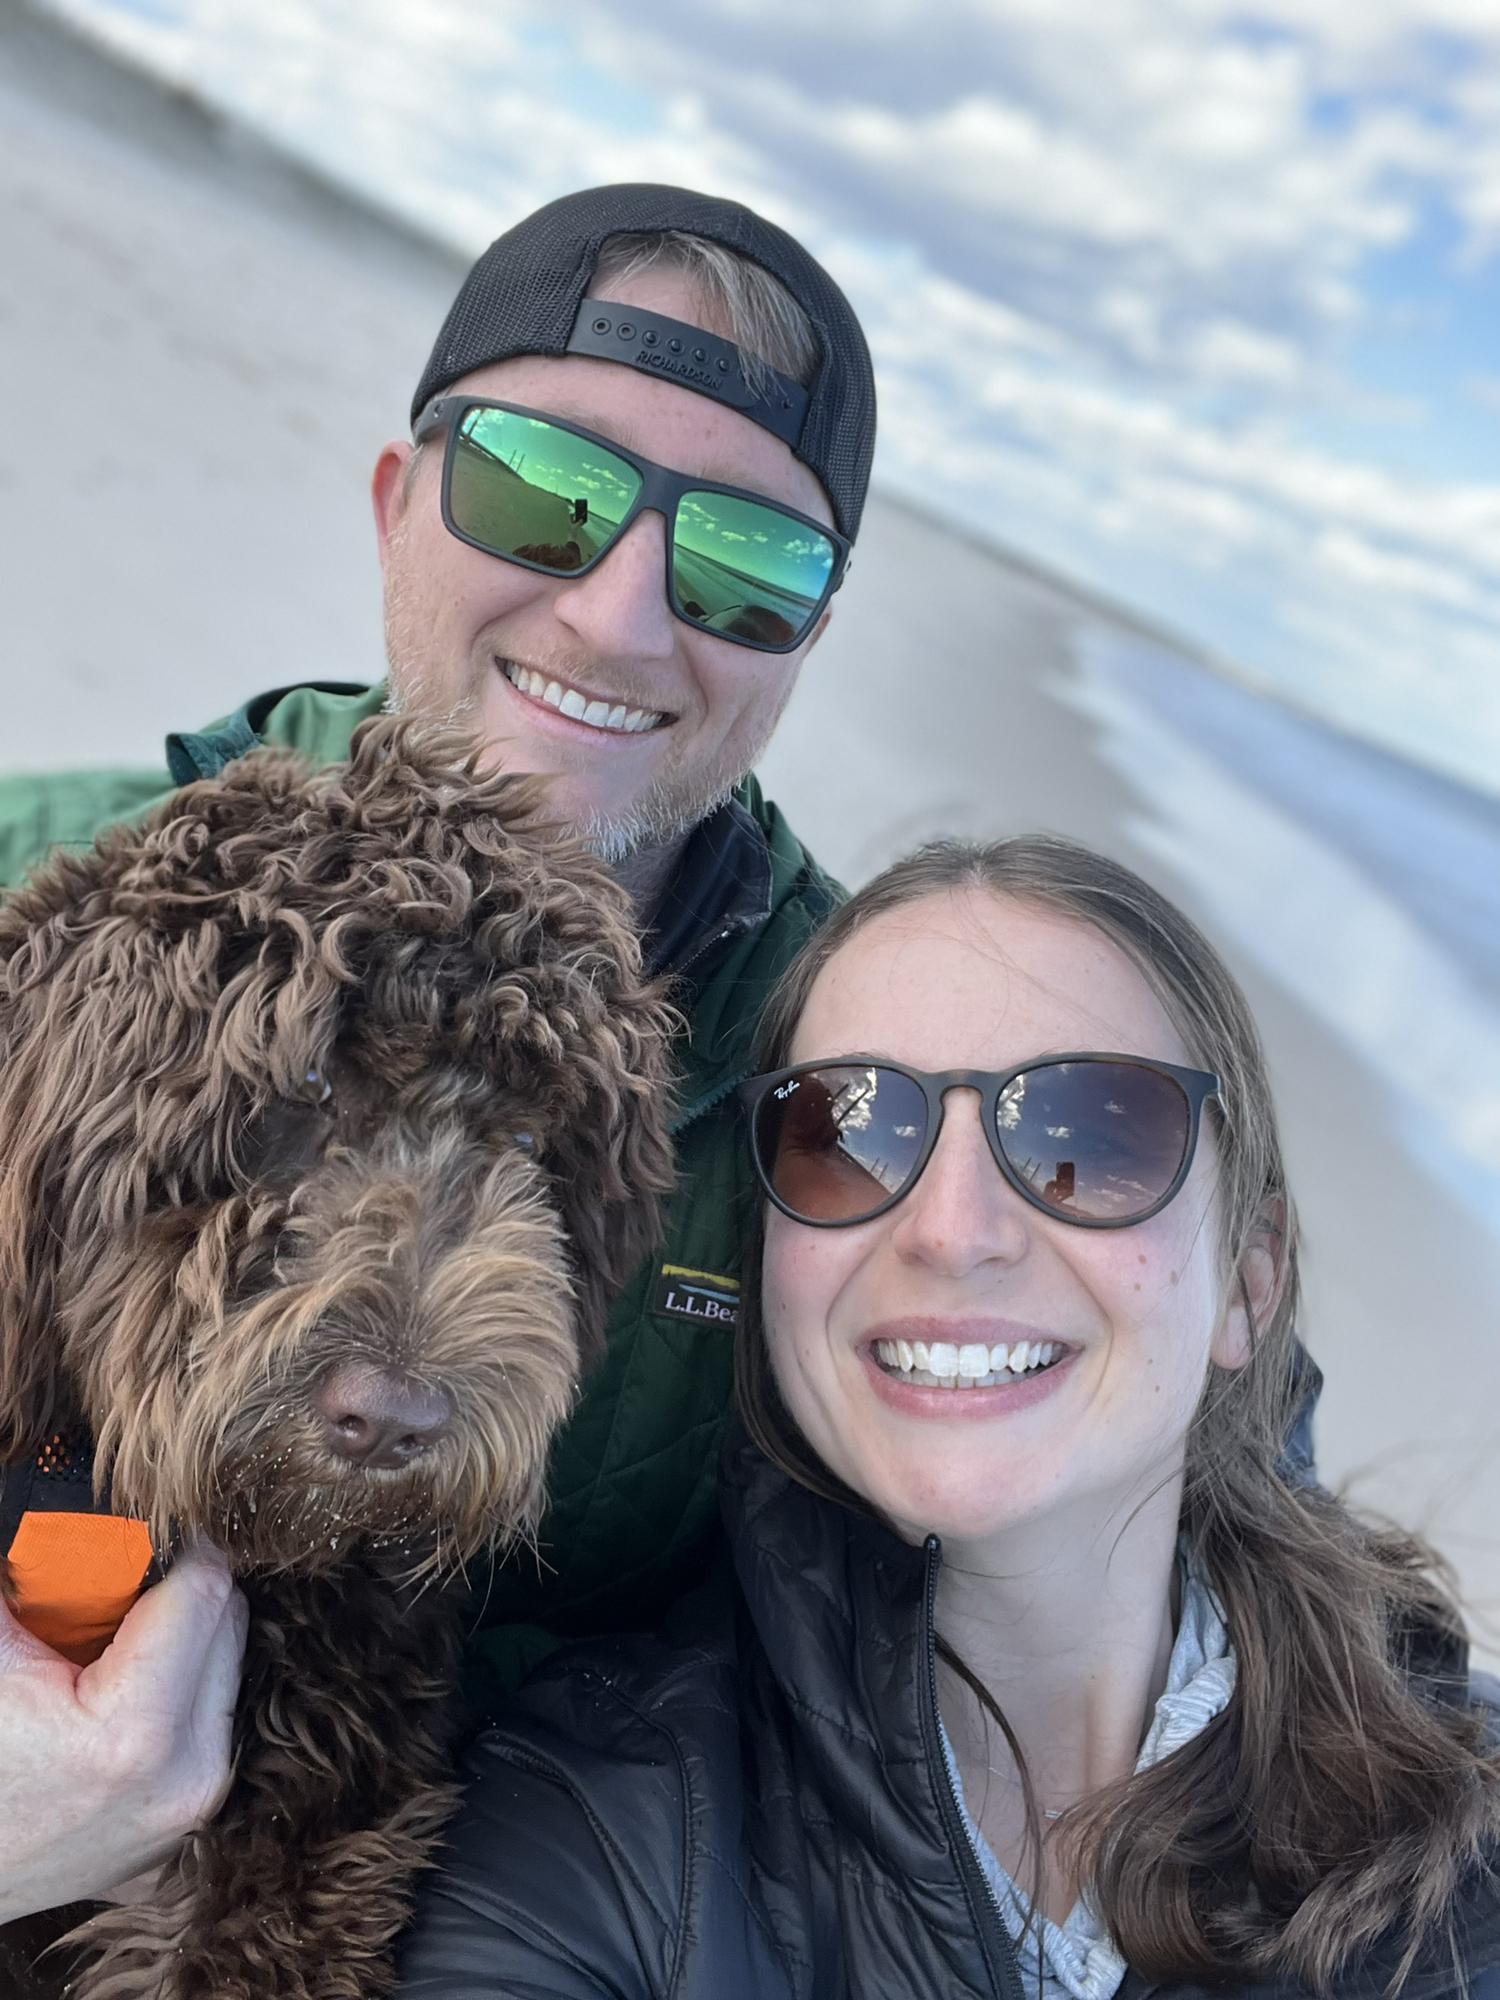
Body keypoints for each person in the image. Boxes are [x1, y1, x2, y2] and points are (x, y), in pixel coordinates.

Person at [0, 183, 874, 1917]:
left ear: (809, 640)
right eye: (542, 493)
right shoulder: (38, 879)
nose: (624, 618)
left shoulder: (872, 1061)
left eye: (747, 562)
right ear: (402, 506)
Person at [395, 836, 1500, 1998]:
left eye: (1088, 1133)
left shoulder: (1462, 1821)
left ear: (1248, 1281)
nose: (951, 1228)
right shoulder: (593, 1830)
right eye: (847, 1133)